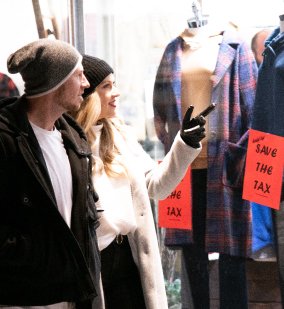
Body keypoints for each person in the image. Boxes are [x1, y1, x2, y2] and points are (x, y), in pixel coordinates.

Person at [70, 54, 207, 309]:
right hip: (94, 262)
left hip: (131, 256)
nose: (116, 93)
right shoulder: (68, 143)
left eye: (115, 84)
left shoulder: (120, 134)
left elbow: (158, 186)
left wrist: (184, 145)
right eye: (106, 86)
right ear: (87, 95)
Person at [153, 17, 258, 309]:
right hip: (184, 167)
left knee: (231, 255)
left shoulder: (235, 48)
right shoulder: (173, 51)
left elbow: (253, 110)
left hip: (225, 164)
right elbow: (160, 109)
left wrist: (242, 158)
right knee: (192, 258)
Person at [0, 39, 101, 308]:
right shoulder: (6, 140)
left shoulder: (74, 140)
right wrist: (38, 258)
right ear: (56, 81)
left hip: (70, 295)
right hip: (23, 298)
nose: (86, 84)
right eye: (79, 75)